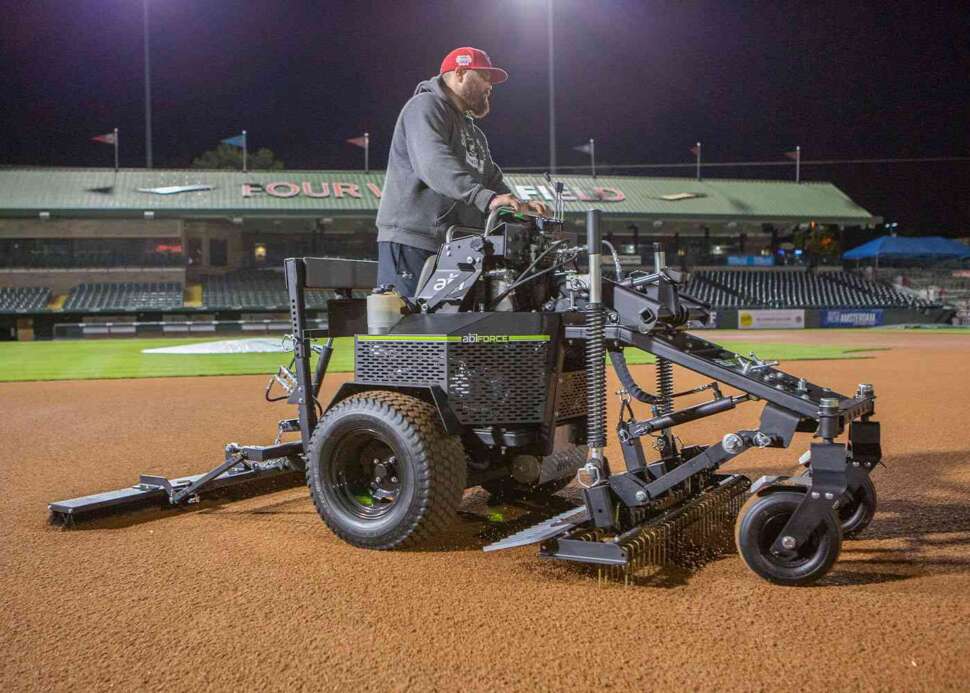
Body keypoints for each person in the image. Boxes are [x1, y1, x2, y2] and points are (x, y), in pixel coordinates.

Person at [375, 47, 550, 297]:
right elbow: (434, 163)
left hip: (455, 246)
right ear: (459, 73)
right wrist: (486, 199)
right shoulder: (424, 107)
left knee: (453, 330)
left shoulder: (474, 133)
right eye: (485, 77)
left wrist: (521, 208)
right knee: (412, 329)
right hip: (414, 240)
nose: (490, 86)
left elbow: (492, 180)